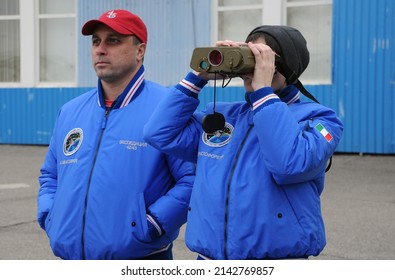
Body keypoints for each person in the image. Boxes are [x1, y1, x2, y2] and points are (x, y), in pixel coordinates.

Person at [143, 25, 343, 259]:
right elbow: (158, 133)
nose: (254, 66)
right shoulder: (226, 116)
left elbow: (288, 164)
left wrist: (263, 93)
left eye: (263, 57)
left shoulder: (321, 120)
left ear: (286, 65)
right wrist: (197, 77)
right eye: (249, 54)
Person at [37, 9, 195, 260]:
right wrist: (51, 215)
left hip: (140, 260)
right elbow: (51, 175)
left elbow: (192, 180)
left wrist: (153, 224)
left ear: (140, 50)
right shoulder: (70, 111)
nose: (100, 49)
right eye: (96, 41)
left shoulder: (168, 108)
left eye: (113, 40)